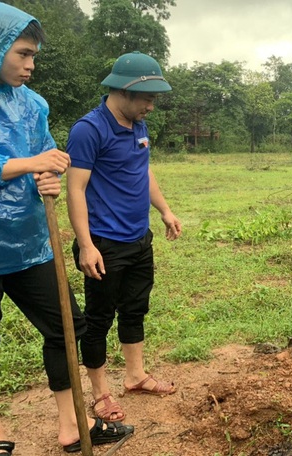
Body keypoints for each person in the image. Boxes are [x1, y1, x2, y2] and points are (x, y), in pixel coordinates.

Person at [0, 2, 134, 454]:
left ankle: (71, 426)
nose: (31, 65)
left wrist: (51, 167)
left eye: (34, 55)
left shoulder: (32, 103)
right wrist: (27, 164)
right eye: (22, 54)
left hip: (28, 242)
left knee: (66, 326)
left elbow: (47, 152)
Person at [66, 51, 182, 423]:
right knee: (98, 319)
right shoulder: (90, 129)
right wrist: (85, 244)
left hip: (138, 239)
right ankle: (100, 394)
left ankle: (135, 376)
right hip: (103, 243)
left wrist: (164, 210)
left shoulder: (139, 126)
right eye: (147, 97)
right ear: (124, 91)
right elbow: (76, 189)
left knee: (135, 309)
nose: (152, 105)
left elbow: (143, 172)